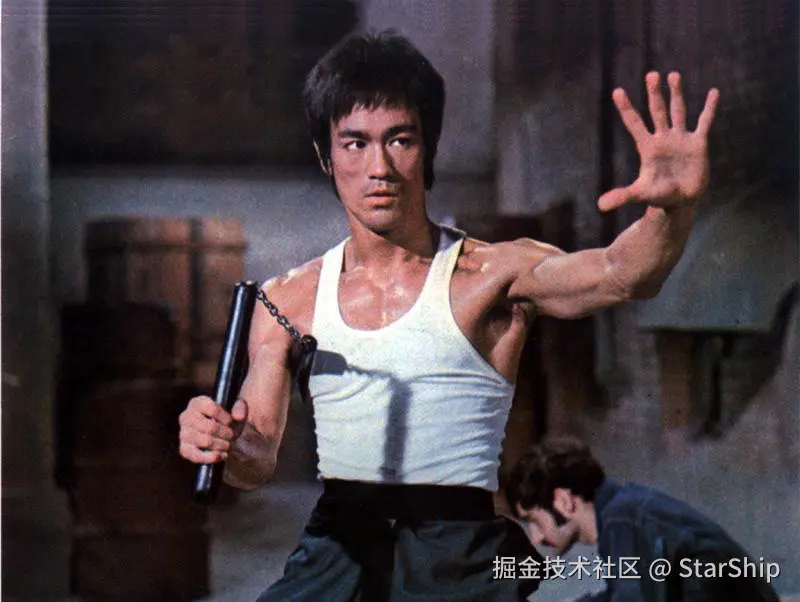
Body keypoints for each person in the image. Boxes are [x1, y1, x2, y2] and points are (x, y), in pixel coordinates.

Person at [178, 30, 720, 601]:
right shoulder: (287, 298)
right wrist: (224, 441)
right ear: (324, 155)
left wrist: (671, 211)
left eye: (400, 140)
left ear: (428, 147)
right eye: (355, 143)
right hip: (338, 549)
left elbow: (620, 273)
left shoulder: (492, 274)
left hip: (457, 552)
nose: (379, 167)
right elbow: (255, 459)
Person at [504, 437, 781, 601]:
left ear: (563, 501)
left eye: (535, 521)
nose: (536, 537)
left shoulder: (625, 521)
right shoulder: (625, 512)